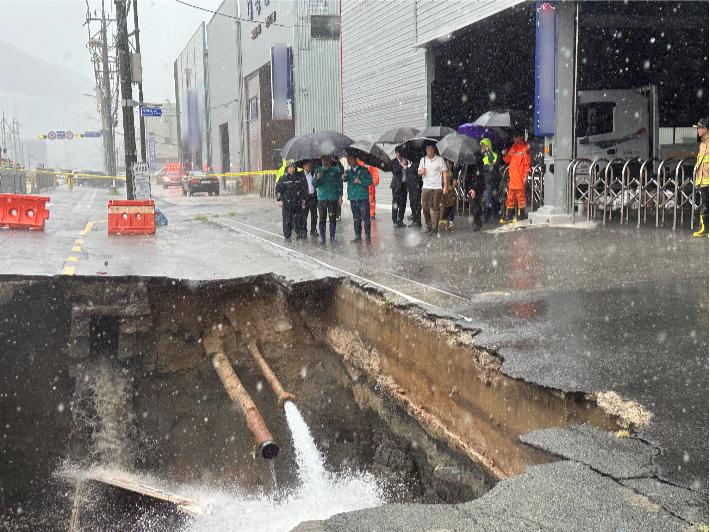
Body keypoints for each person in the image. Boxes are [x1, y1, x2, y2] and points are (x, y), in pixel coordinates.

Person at [342, 153, 373, 243]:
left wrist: (361, 181)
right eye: (347, 160)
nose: (349, 162)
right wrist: (343, 178)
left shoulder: (364, 170)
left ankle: (367, 236)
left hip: (362, 197)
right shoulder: (348, 172)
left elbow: (370, 180)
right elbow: (345, 179)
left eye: (350, 159)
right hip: (353, 197)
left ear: (356, 159)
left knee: (365, 218)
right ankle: (357, 235)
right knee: (356, 218)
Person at [501, 131, 531, 223]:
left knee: (521, 197)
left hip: (519, 178)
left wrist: (525, 177)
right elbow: (507, 160)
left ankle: (521, 214)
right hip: (513, 178)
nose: (514, 139)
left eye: (516, 137)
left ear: (521, 137)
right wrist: (505, 154)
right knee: (510, 197)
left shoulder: (525, 150)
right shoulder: (513, 148)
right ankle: (510, 215)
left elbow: (527, 165)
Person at [418, 143, 448, 235]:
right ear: (426, 151)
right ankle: (429, 225)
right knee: (425, 207)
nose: (429, 151)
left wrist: (445, 186)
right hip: (426, 186)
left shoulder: (440, 160)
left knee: (436, 207)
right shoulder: (423, 160)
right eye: (428, 150)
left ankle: (435, 227)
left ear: (434, 150)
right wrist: (421, 172)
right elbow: (418, 172)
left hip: (437, 187)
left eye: (431, 149)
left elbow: (444, 173)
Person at [313, 154, 343, 244]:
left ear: (330, 160)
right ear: (321, 161)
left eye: (327, 160)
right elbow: (314, 183)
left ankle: (332, 237)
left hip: (332, 198)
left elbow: (339, 183)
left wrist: (340, 196)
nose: (325, 162)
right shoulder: (319, 170)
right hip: (322, 198)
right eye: (323, 160)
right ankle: (322, 238)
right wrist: (317, 178)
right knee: (322, 218)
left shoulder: (335, 170)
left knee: (332, 218)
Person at [275, 161, 308, 240]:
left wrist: (304, 198)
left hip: (297, 202)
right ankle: (287, 235)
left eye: (292, 168)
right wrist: (279, 199)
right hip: (287, 203)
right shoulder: (283, 179)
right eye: (289, 168)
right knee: (287, 220)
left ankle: (299, 233)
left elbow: (304, 188)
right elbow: (278, 189)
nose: (291, 169)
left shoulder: (299, 178)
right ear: (287, 169)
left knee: (298, 219)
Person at [693, 118, 709, 237]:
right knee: (705, 205)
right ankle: (705, 229)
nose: (698, 130)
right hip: (703, 180)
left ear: (705, 129)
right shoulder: (702, 143)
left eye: (699, 128)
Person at [479, 138, 500, 222]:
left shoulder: (493, 154)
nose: (483, 147)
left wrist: (488, 151)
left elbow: (492, 162)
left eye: (485, 145)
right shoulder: (480, 155)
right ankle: (488, 213)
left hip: (491, 178)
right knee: (487, 195)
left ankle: (489, 213)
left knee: (490, 195)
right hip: (484, 178)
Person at [390, 148, 409, 228]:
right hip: (396, 185)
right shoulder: (393, 161)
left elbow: (408, 172)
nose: (400, 154)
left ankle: (400, 220)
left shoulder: (406, 161)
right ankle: (395, 220)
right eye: (399, 153)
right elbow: (394, 171)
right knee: (395, 203)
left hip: (404, 184)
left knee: (403, 203)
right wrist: (401, 165)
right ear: (396, 153)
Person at [440, 160, 458, 231]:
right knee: (443, 206)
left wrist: (455, 179)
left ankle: (449, 220)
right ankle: (443, 221)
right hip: (443, 189)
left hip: (449, 190)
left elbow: (454, 172)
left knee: (450, 205)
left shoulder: (452, 168)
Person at [303, 161, 319, 236]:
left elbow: (316, 184)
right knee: (304, 214)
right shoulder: (301, 175)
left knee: (314, 214)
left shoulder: (313, 174)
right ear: (304, 166)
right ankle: (303, 230)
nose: (309, 166)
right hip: (305, 197)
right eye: (308, 165)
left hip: (313, 196)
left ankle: (313, 230)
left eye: (310, 165)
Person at [407, 154, 423, 227]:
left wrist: (406, 168)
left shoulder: (418, 162)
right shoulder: (410, 163)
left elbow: (413, 170)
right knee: (412, 202)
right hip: (411, 185)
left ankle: (417, 220)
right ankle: (414, 218)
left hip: (416, 185)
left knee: (416, 203)